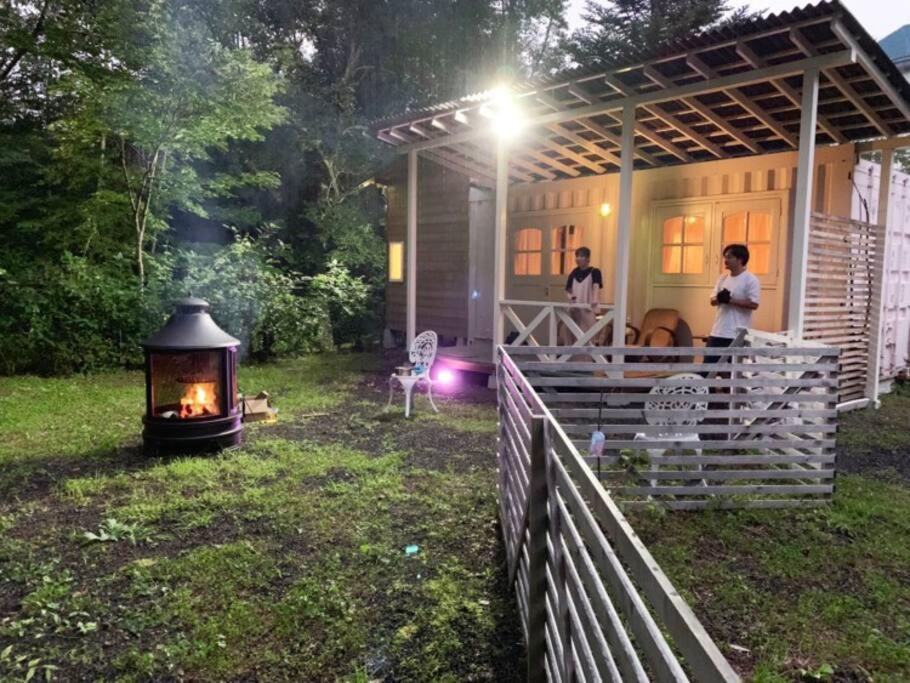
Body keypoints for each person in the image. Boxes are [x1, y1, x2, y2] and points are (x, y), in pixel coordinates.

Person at [706, 243, 760, 363]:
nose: (725, 260)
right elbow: (712, 301)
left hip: (736, 334)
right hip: (717, 331)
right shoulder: (722, 279)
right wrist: (720, 299)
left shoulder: (750, 279)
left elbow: (754, 304)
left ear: (740, 259)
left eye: (729, 257)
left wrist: (731, 300)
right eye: (725, 257)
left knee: (732, 372)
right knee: (707, 368)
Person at [565, 246, 603, 335]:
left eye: (581, 256)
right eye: (577, 256)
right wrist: (571, 298)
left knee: (588, 334)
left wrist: (594, 299)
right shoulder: (574, 272)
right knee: (573, 335)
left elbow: (596, 285)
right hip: (575, 309)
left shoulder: (594, 271)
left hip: (588, 307)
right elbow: (568, 289)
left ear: (588, 259)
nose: (578, 258)